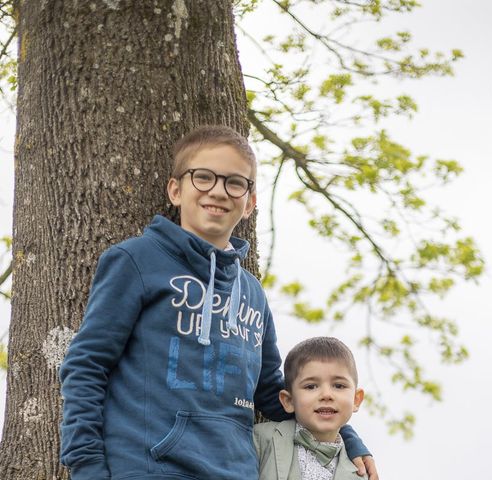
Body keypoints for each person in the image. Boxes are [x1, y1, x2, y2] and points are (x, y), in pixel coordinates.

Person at [59, 125, 378, 480]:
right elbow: (87, 365)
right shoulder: (136, 260)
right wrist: (86, 465)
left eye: (235, 182)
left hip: (237, 471)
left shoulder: (253, 293)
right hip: (149, 468)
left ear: (249, 203)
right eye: (204, 177)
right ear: (176, 190)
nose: (218, 191)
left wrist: (344, 435)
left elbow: (274, 393)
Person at [253, 337, 368, 480]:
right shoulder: (261, 439)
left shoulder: (361, 472)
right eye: (311, 386)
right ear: (288, 401)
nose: (326, 395)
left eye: (339, 386)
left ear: (356, 399)